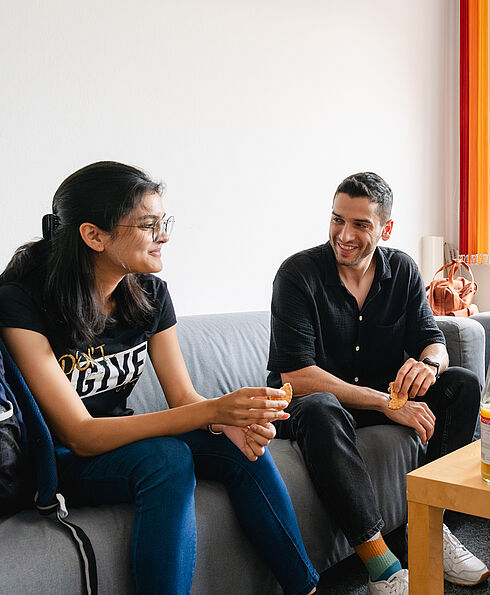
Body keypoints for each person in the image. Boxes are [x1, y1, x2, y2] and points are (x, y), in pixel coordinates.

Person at [0, 162, 318, 595]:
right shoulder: (22, 304)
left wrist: (225, 421)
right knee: (166, 459)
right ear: (94, 236)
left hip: (117, 441)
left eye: (163, 222)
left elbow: (183, 396)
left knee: (241, 444)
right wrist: (213, 410)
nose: (164, 236)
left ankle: (306, 587)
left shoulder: (149, 293)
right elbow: (80, 434)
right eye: (149, 225)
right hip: (59, 459)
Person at [267, 172, 488, 594]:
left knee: (460, 383)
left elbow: (433, 340)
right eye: (337, 220)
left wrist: (430, 365)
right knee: (322, 406)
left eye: (360, 225)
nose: (344, 235)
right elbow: (298, 375)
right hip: (310, 405)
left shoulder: (401, 269)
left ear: (385, 228)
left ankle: (430, 529)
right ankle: (381, 566)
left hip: (381, 399)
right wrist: (387, 402)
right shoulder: (297, 274)